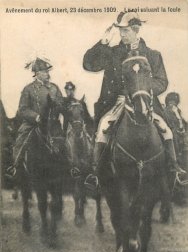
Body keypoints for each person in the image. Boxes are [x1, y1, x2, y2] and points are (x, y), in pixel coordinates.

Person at [83, 12, 185, 189]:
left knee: (166, 128)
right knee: (102, 128)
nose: (122, 34)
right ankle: (95, 172)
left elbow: (162, 81)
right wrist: (103, 43)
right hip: (118, 101)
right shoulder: (112, 52)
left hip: (145, 100)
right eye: (120, 31)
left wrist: (141, 90)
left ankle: (175, 168)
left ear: (136, 30)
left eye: (126, 30)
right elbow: (89, 65)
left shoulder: (152, 54)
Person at [7, 57, 64, 178]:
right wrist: (35, 116)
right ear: (37, 73)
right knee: (21, 139)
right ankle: (14, 166)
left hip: (52, 122)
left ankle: (73, 167)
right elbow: (22, 109)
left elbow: (61, 103)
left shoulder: (54, 88)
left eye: (47, 71)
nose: (47, 74)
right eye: (44, 72)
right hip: (34, 122)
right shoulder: (28, 89)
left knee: (68, 140)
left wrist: (57, 106)